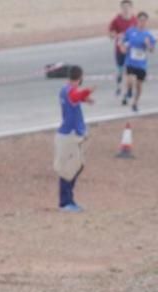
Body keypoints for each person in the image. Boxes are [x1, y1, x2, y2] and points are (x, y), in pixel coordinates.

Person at [55, 66, 94, 213]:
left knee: (77, 166)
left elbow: (75, 97)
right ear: (80, 77)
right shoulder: (71, 91)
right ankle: (65, 202)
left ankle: (68, 199)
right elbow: (75, 96)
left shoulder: (65, 90)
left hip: (71, 133)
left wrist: (85, 99)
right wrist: (88, 91)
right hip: (69, 135)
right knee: (69, 168)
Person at [122, 12, 156, 111]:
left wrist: (148, 44)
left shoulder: (148, 35)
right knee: (130, 79)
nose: (142, 22)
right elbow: (123, 41)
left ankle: (135, 103)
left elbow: (152, 50)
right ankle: (129, 90)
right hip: (130, 61)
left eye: (144, 20)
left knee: (139, 85)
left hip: (141, 64)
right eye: (141, 20)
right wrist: (123, 47)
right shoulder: (130, 31)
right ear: (137, 20)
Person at [109, 0, 137, 97]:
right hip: (119, 49)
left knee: (130, 70)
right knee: (120, 70)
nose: (126, 9)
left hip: (131, 50)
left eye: (127, 7)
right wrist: (118, 35)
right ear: (121, 8)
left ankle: (129, 90)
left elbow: (138, 32)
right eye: (124, 7)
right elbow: (111, 33)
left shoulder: (134, 20)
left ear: (131, 8)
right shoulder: (117, 20)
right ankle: (119, 86)